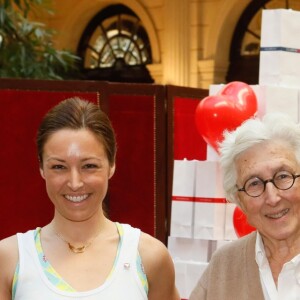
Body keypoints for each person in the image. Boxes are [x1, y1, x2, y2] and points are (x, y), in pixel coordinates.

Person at [0, 97, 180, 300]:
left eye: (89, 166)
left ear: (112, 165)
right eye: (59, 167)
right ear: (41, 168)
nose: (75, 183)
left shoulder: (149, 257)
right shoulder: (10, 259)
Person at [190, 112, 300, 300]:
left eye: (283, 176)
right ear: (239, 200)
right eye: (254, 183)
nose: (272, 198)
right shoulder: (223, 266)